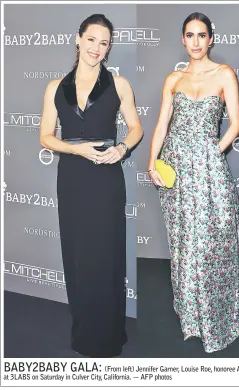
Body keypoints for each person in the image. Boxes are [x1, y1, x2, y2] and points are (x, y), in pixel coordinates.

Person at [147, 12, 239, 354]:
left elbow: (236, 123)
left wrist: (212, 152)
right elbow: (161, 125)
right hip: (174, 166)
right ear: (183, 40)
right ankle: (190, 312)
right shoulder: (173, 78)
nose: (197, 41)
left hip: (208, 165)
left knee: (212, 238)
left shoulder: (224, 74)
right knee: (184, 240)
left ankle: (214, 310)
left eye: (202, 35)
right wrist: (151, 162)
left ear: (211, 39)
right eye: (190, 35)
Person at [39, 14, 143, 357]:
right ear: (78, 39)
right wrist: (75, 148)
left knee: (107, 254)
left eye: (104, 42)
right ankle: (84, 331)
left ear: (109, 47)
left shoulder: (119, 84)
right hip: (72, 178)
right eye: (92, 39)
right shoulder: (55, 87)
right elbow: (45, 137)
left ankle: (110, 334)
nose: (97, 48)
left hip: (105, 178)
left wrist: (121, 149)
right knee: (78, 255)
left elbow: (135, 129)